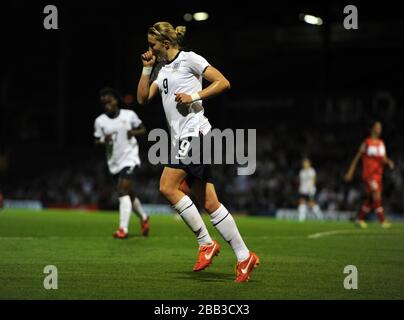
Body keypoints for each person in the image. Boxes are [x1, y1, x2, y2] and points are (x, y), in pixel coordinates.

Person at [136, 22, 259, 282]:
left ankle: (205, 243)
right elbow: (143, 98)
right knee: (210, 203)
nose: (150, 49)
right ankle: (244, 256)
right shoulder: (162, 69)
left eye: (153, 45)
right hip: (183, 139)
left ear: (166, 44)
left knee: (167, 186)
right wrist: (146, 69)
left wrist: (194, 96)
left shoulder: (190, 59)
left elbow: (223, 83)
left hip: (197, 135)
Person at [94, 87, 150, 238]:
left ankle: (123, 229)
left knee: (122, 191)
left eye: (109, 101)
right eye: (104, 102)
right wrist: (102, 140)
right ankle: (144, 218)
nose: (107, 104)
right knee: (129, 194)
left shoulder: (129, 115)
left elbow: (143, 129)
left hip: (130, 158)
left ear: (116, 100)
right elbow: (96, 140)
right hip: (114, 162)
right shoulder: (100, 121)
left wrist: (133, 132)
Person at [344, 121, 394, 229]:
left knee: (371, 200)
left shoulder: (381, 143)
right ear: (371, 129)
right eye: (377, 127)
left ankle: (359, 219)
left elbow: (383, 158)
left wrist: (389, 162)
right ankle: (382, 221)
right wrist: (350, 172)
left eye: (380, 127)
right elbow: (357, 157)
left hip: (378, 175)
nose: (379, 129)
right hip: (369, 175)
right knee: (376, 195)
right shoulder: (366, 142)